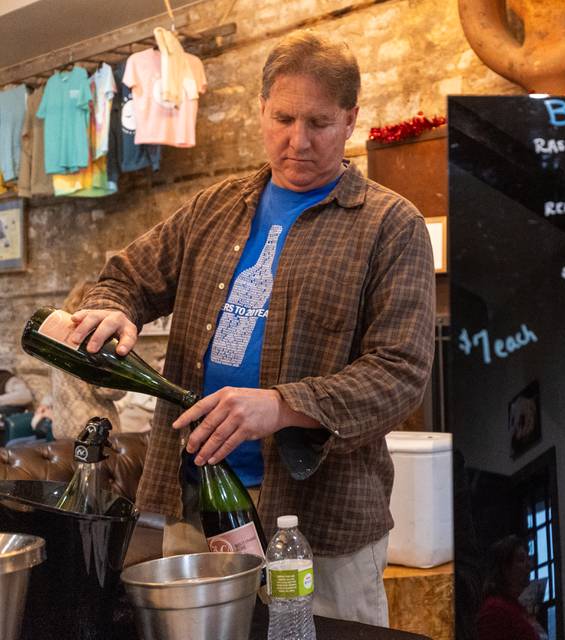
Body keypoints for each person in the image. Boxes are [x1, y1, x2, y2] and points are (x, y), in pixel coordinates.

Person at [66, 31, 435, 627]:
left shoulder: (391, 226)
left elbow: (401, 374)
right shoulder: (214, 207)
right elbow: (125, 278)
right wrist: (113, 307)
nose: (298, 140)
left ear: (351, 121)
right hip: (190, 501)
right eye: (283, 118)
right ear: (260, 111)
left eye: (319, 122)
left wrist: (284, 406)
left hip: (320, 521)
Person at [49, 281, 127, 439]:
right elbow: (112, 390)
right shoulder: (95, 341)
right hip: (94, 429)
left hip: (62, 428)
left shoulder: (57, 338)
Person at [477, 536, 540, 640]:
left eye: (528, 559)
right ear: (505, 568)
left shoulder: (518, 608)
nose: (529, 565)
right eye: (521, 560)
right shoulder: (494, 610)